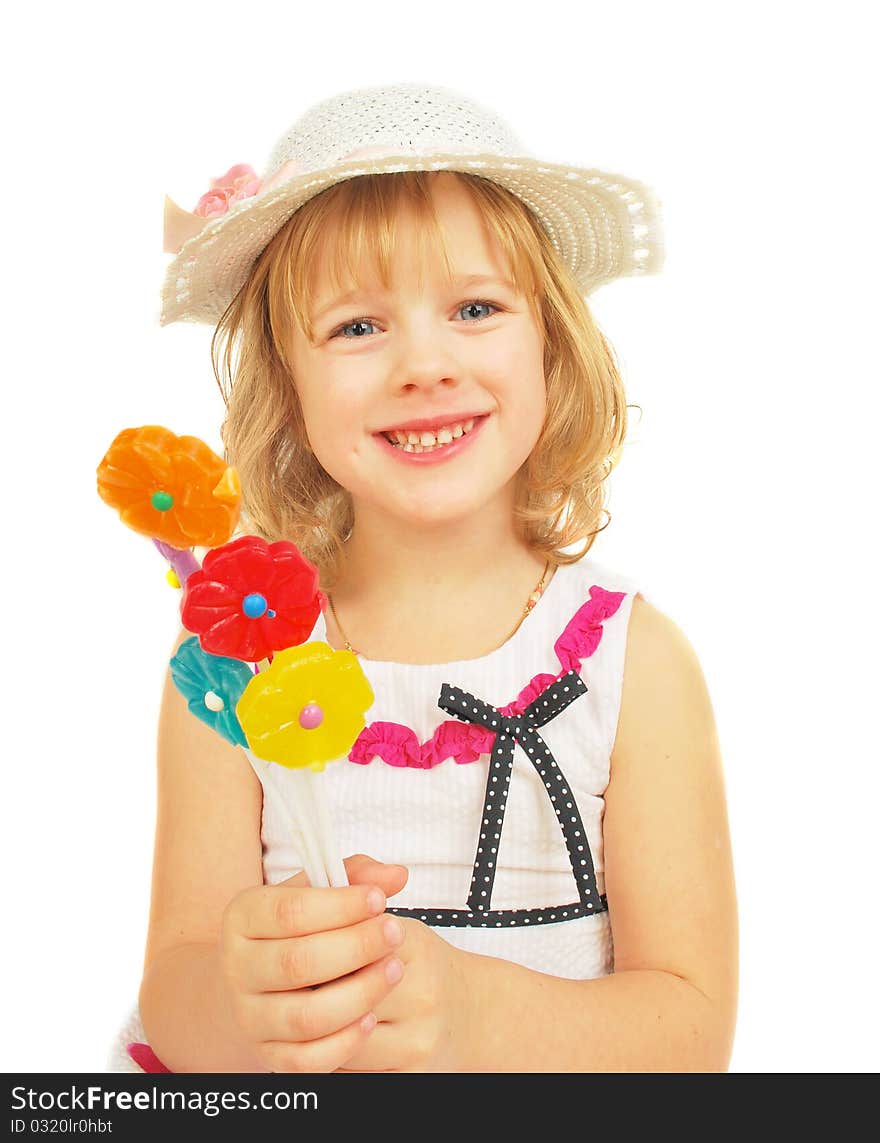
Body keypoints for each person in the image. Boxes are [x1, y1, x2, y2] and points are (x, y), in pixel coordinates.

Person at [118, 82, 738, 1073]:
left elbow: (690, 1034)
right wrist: (252, 1011)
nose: (423, 364)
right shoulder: (232, 663)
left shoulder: (634, 662)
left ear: (550, 344)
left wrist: (480, 1020)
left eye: (475, 308)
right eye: (357, 327)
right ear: (287, 383)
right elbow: (179, 987)